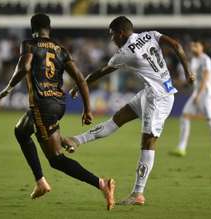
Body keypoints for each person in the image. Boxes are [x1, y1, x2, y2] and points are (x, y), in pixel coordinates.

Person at [62, 16, 195, 205]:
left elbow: (101, 72)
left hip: (158, 98)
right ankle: (77, 140)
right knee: (118, 118)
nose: (112, 40)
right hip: (152, 92)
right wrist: (188, 71)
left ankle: (137, 193)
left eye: (112, 35)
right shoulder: (151, 34)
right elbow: (176, 44)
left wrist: (78, 86)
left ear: (121, 33)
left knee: (148, 142)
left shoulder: (125, 52)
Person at [0, 13, 115, 210]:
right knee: (21, 131)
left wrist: (7, 89)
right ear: (48, 29)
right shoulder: (61, 50)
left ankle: (102, 184)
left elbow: (24, 67)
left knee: (56, 159)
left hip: (41, 106)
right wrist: (87, 109)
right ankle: (42, 178)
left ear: (33, 29)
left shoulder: (30, 44)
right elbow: (80, 78)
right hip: (58, 104)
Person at [171, 41, 211, 159]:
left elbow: (206, 78)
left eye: (196, 45)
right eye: (192, 46)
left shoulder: (206, 59)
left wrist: (199, 95)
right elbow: (194, 79)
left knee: (210, 119)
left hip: (206, 93)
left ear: (202, 47)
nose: (193, 47)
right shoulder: (193, 60)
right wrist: (179, 83)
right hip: (197, 93)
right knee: (184, 115)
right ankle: (181, 148)